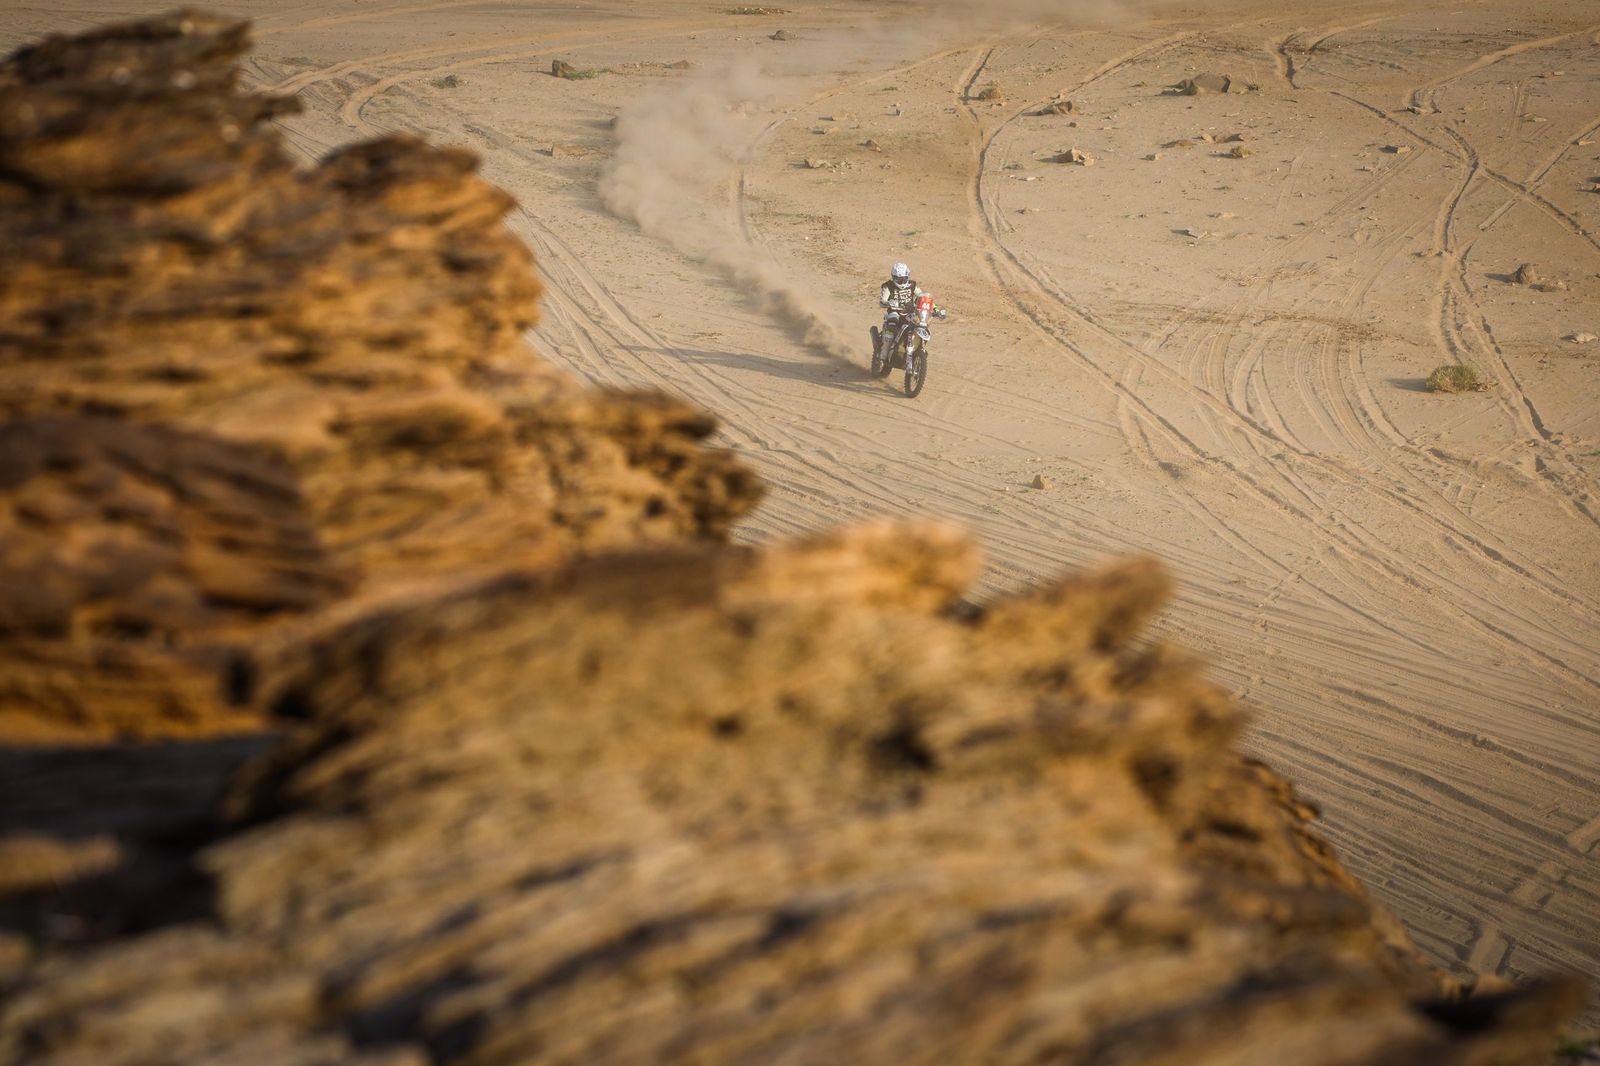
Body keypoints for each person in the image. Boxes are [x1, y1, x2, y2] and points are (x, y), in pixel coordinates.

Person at [877, 262, 945, 357]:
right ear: (894, 277)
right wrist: (889, 303)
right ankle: (884, 350)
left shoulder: (912, 285)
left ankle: (917, 348)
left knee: (921, 326)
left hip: (910, 313)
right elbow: (882, 301)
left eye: (904, 278)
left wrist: (935, 309)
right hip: (894, 312)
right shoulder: (888, 286)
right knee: (892, 324)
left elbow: (923, 297)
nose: (902, 281)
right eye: (899, 279)